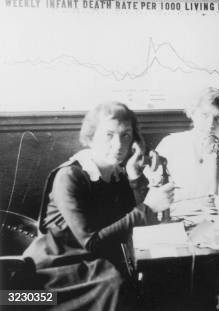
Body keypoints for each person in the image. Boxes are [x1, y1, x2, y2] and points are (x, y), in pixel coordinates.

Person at [24, 102, 175, 310]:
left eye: (126, 135)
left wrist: (135, 177)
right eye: (109, 135)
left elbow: (131, 226)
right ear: (91, 136)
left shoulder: (117, 174)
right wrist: (148, 208)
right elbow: (92, 242)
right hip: (54, 272)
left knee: (153, 281)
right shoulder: (70, 176)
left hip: (94, 263)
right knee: (117, 284)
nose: (119, 144)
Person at [150, 87, 219, 214]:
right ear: (192, 113)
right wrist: (198, 203)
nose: (210, 123)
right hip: (181, 217)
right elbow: (154, 195)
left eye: (218, 118)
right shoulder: (171, 144)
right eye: (204, 115)